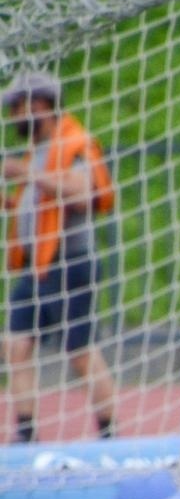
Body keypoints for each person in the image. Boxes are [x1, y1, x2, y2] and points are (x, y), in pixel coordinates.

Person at [2, 71, 118, 443]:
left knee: (79, 350)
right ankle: (26, 430)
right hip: (38, 266)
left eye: (19, 108)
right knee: (16, 344)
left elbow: (83, 194)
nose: (15, 117)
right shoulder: (35, 152)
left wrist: (28, 173)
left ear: (39, 105)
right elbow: (35, 203)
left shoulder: (74, 142)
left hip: (70, 262)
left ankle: (109, 431)